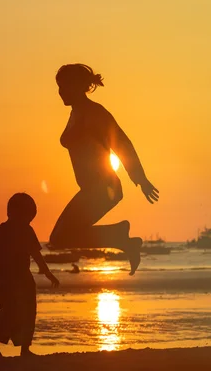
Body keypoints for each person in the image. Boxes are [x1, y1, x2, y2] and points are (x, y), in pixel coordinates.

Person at [49, 64, 159, 275]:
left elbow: (122, 143)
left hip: (103, 188)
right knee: (61, 238)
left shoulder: (95, 113)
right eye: (59, 87)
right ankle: (119, 237)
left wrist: (140, 178)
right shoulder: (77, 112)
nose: (60, 92)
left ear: (77, 86)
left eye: (64, 86)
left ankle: (119, 235)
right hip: (92, 189)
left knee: (59, 238)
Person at [0, 193, 60, 358]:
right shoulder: (5, 232)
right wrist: (47, 273)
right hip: (9, 277)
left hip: (19, 276)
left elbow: (35, 254)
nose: (28, 218)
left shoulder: (9, 231)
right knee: (11, 311)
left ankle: (24, 348)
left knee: (25, 310)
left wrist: (47, 273)